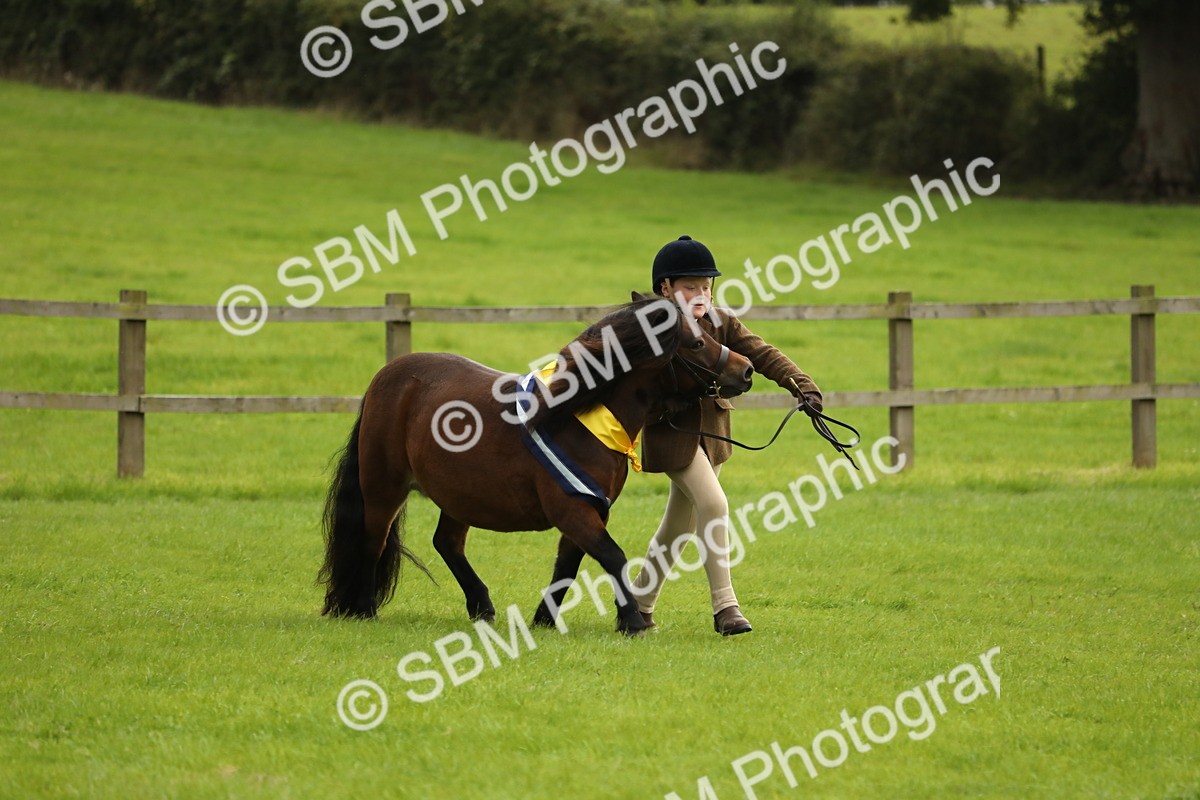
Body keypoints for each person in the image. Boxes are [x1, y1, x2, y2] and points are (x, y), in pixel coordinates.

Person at [631, 235, 823, 635]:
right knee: (714, 505)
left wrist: (801, 384)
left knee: (676, 528)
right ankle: (726, 608)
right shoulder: (649, 330)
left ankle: (637, 607)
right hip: (671, 433)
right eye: (690, 287)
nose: (702, 294)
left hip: (713, 435)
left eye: (706, 286)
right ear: (664, 288)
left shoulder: (720, 321)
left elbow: (762, 352)